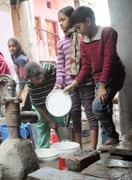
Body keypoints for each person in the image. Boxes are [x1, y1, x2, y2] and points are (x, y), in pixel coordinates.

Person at [64, 6, 126, 151]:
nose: (78, 31)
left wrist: (103, 86)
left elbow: (108, 60)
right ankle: (108, 148)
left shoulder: (107, 33)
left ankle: (113, 136)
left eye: (78, 27)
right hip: (100, 79)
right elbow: (86, 66)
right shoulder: (84, 41)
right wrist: (75, 83)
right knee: (105, 110)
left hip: (113, 76)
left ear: (88, 21)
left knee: (97, 107)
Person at [55, 6, 98, 150]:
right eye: (59, 21)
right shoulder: (61, 43)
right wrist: (57, 85)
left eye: (63, 19)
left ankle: (92, 149)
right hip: (69, 85)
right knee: (75, 115)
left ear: (72, 19)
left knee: (90, 113)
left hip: (86, 82)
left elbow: (89, 62)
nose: (60, 23)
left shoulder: (83, 37)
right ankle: (78, 149)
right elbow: (60, 67)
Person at [24, 61, 66, 148]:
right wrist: (49, 121)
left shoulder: (51, 69)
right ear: (30, 78)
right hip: (40, 105)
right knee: (42, 126)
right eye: (36, 80)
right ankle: (43, 150)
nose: (39, 82)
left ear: (42, 72)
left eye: (40, 78)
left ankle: (64, 146)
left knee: (60, 123)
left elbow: (61, 79)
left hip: (55, 102)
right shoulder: (30, 83)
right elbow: (38, 105)